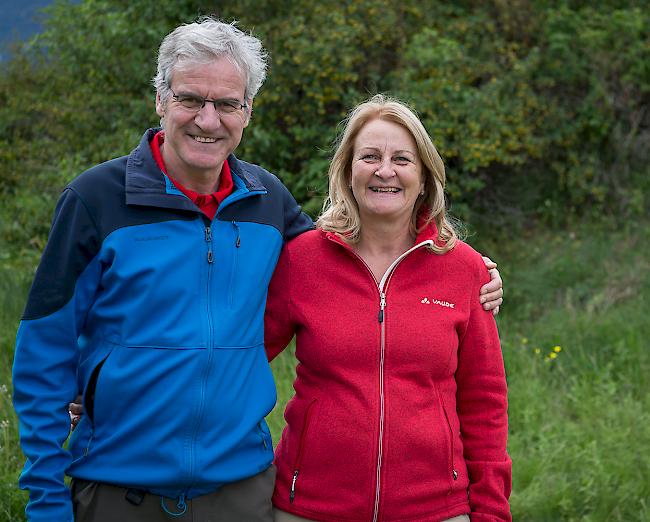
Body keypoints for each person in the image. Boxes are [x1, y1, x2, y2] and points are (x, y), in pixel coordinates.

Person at [13, 18, 503, 522]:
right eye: (190, 99)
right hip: (119, 489)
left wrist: (467, 271)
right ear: (160, 99)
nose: (208, 120)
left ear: (247, 111)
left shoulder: (268, 205)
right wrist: (49, 499)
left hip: (241, 492)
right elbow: (42, 355)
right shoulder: (95, 200)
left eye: (227, 103)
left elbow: (357, 255)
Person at [265, 95, 511, 521]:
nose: (385, 171)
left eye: (402, 158)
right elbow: (238, 358)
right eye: (370, 157)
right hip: (310, 508)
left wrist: (490, 512)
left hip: (435, 509)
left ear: (424, 176)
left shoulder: (466, 270)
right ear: (347, 170)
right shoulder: (301, 260)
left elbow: (485, 404)